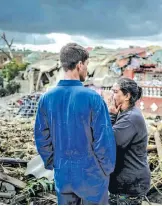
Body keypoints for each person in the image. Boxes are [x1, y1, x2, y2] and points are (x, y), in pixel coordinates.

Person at [34, 43, 116, 205]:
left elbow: (42, 138)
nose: (87, 69)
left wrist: (53, 163)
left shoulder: (46, 98)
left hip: (63, 174)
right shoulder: (93, 98)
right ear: (79, 65)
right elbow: (104, 140)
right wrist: (106, 170)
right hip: (91, 175)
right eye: (86, 64)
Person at [108, 77, 150, 205]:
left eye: (115, 92)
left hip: (130, 184)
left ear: (127, 96)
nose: (112, 95)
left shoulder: (131, 118)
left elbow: (109, 142)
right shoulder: (126, 114)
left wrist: (111, 115)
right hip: (127, 182)